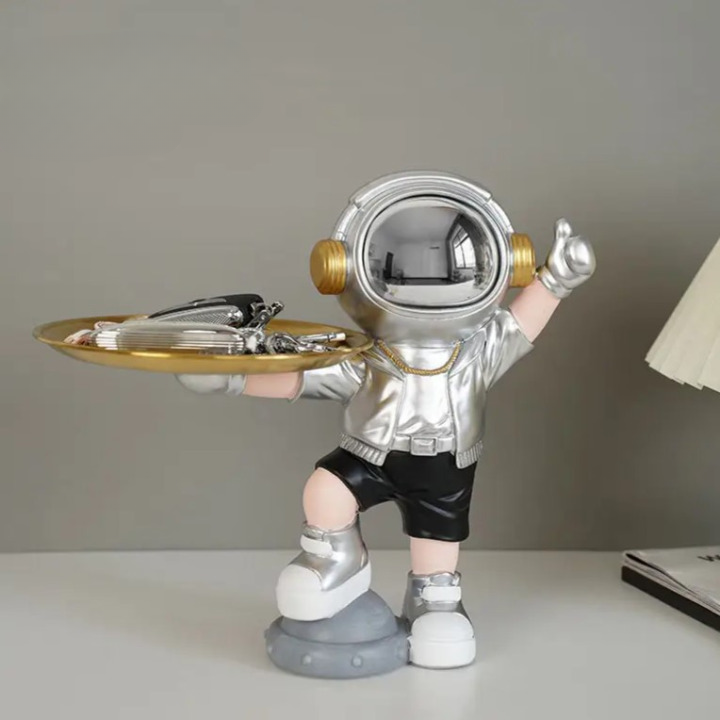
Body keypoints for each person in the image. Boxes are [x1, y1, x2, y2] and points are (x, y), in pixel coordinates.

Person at [177, 172, 596, 669]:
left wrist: (556, 280)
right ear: (341, 270)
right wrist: (231, 378)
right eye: (406, 272)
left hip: (445, 466)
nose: (429, 283)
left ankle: (435, 600)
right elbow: (302, 378)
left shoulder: (478, 352)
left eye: (447, 272)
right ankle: (332, 560)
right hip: (369, 455)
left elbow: (518, 324)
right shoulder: (366, 358)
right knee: (326, 490)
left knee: (437, 539)